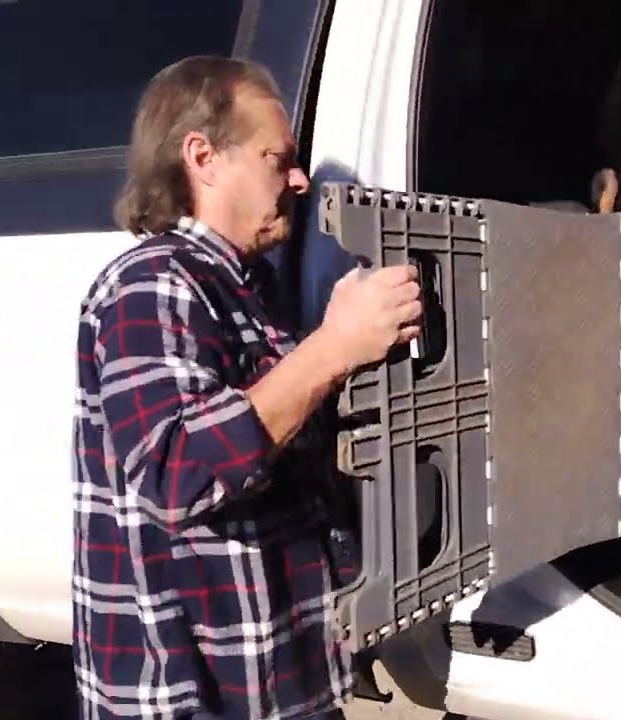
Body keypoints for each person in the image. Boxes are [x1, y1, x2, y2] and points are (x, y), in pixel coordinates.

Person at [70, 55, 422, 720]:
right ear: (202, 157)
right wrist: (333, 347)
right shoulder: (154, 283)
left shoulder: (247, 289)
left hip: (274, 686)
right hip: (194, 698)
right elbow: (177, 472)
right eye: (277, 158)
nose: (297, 179)